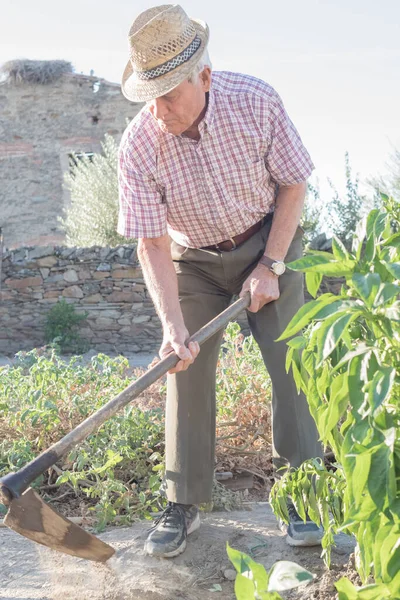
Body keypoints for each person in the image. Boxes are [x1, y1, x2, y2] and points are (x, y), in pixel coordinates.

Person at [118, 4, 323, 558]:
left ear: (203, 77)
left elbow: (294, 185)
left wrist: (272, 265)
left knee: (291, 362)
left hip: (267, 238)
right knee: (184, 364)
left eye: (167, 94)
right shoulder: (139, 144)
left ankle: (304, 492)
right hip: (193, 259)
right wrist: (171, 325)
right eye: (149, 96)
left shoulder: (255, 100)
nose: (158, 110)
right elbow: (151, 242)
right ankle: (182, 501)